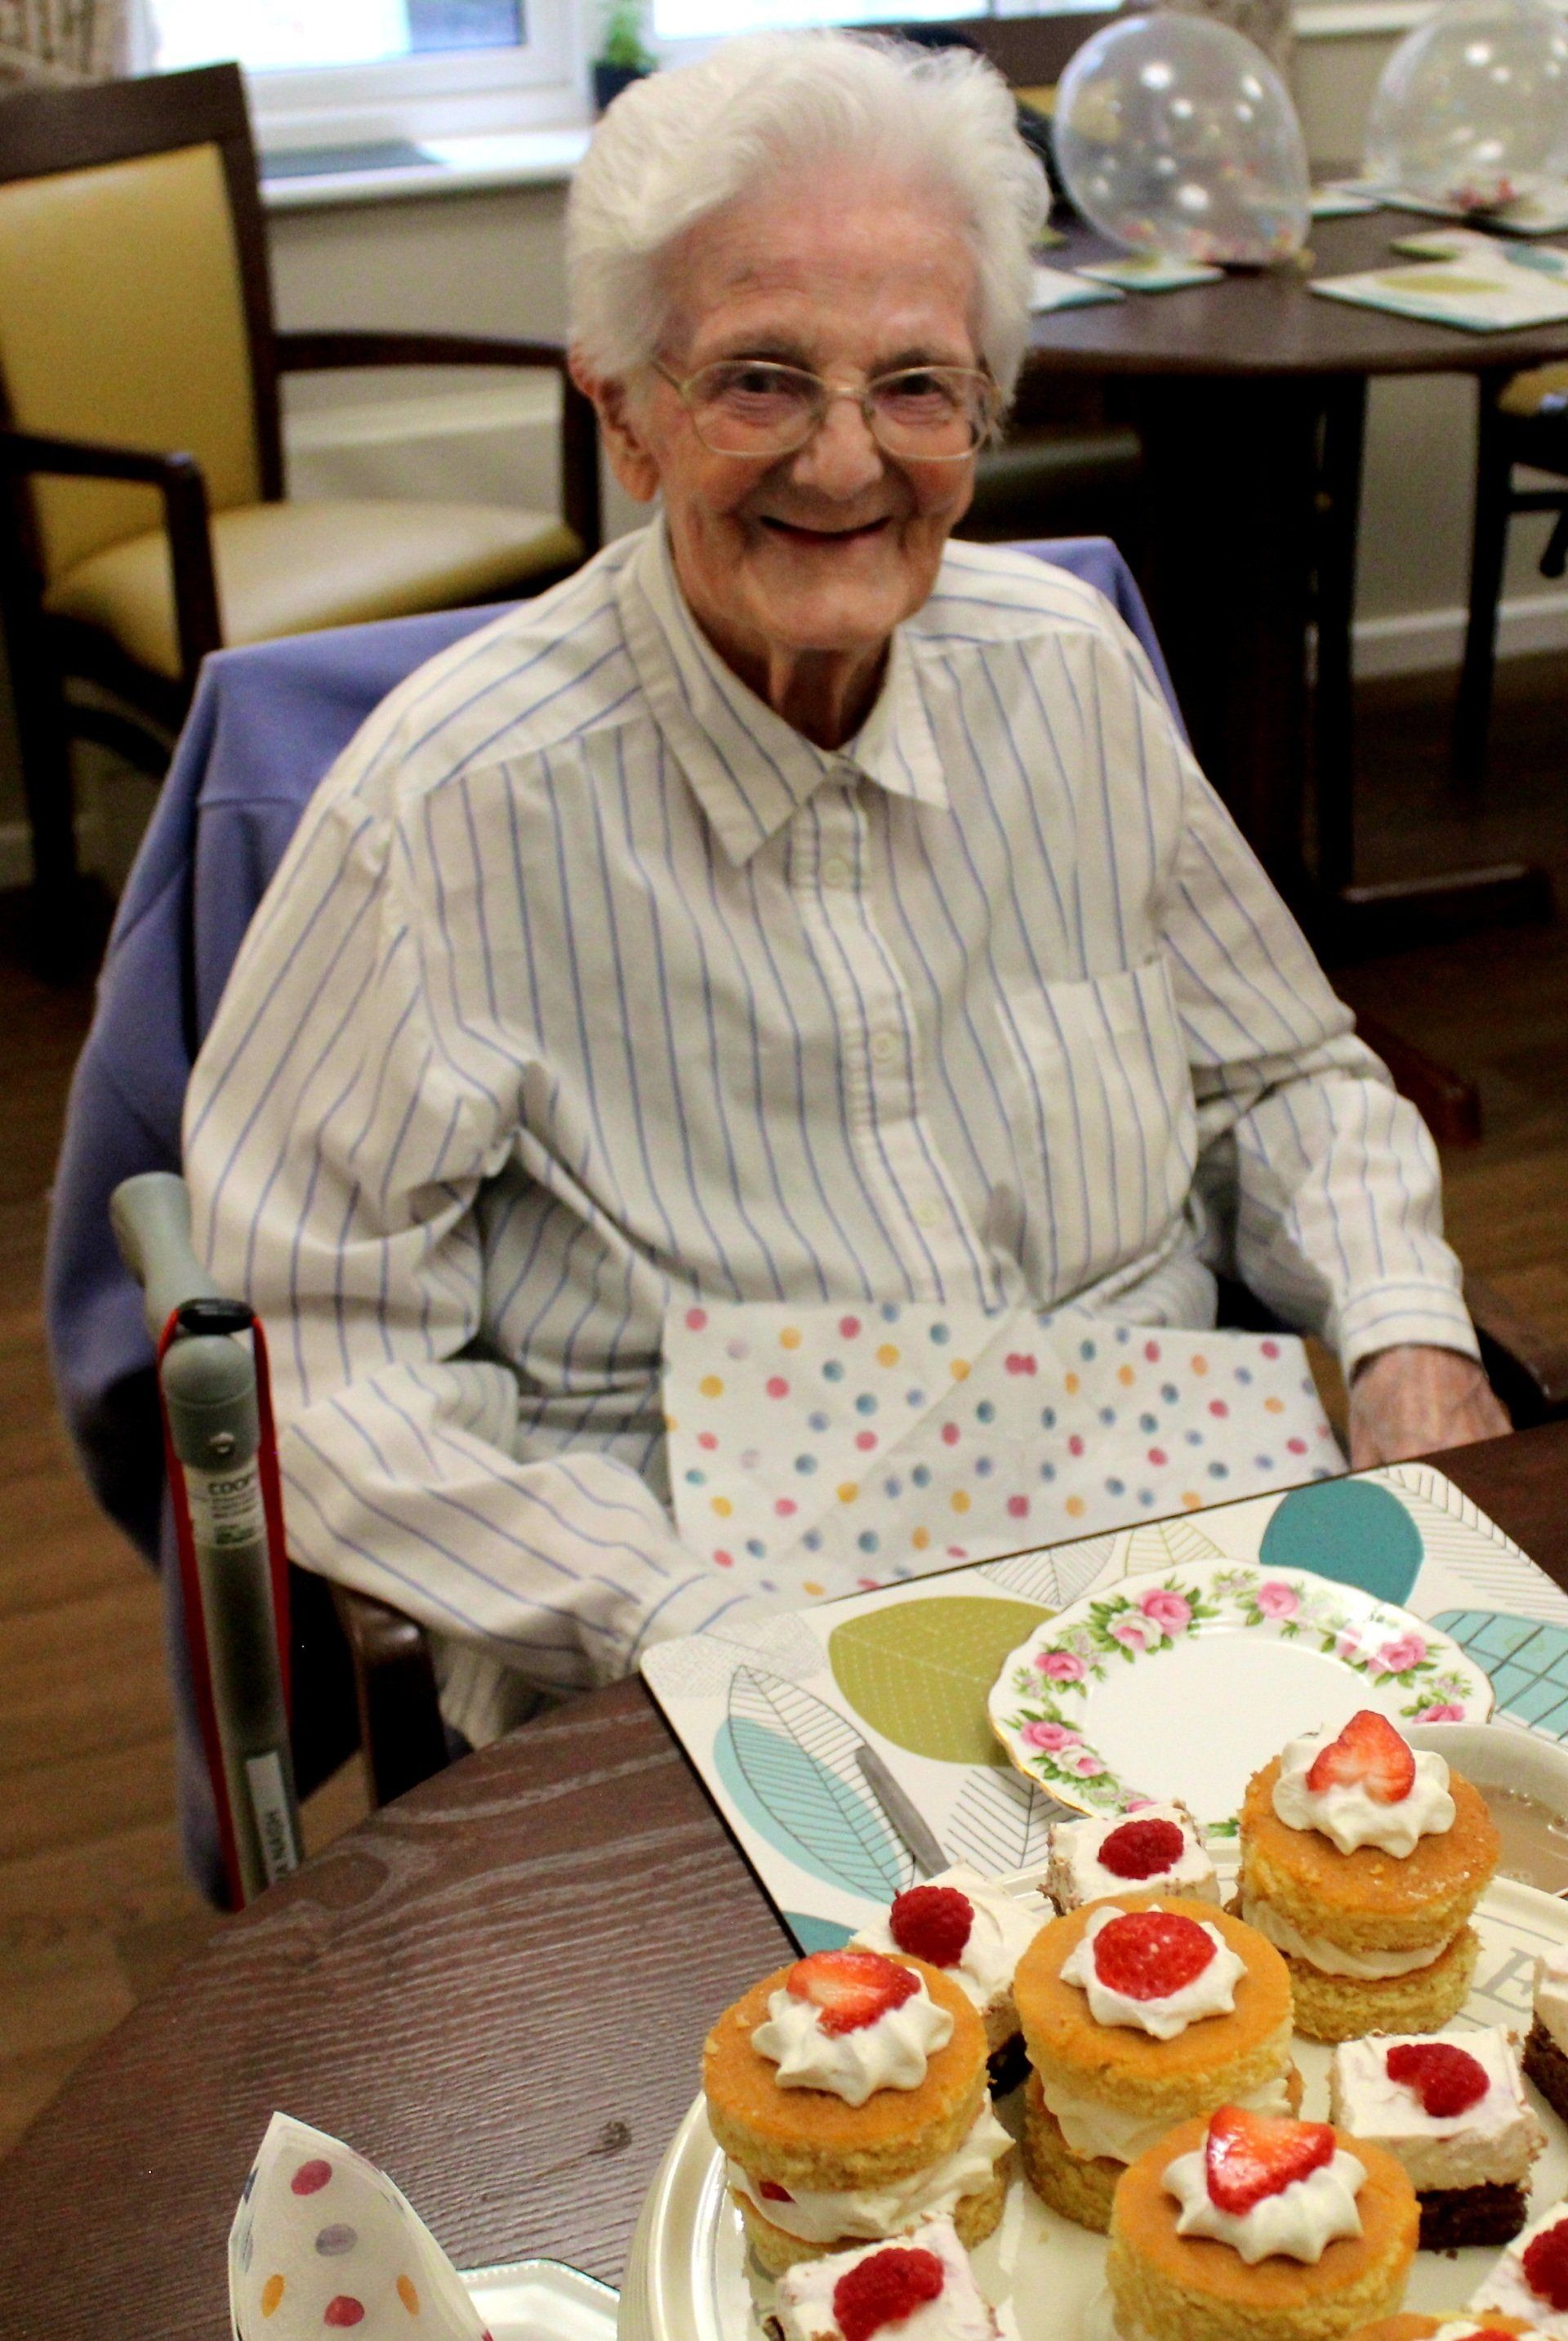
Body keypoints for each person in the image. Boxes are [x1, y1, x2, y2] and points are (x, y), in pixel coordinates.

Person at [185, 32, 1506, 1750]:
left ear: (985, 412)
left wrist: (1406, 1335)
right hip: (702, 1621)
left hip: (1171, 1541)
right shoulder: (444, 807)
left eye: (913, 386)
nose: (842, 463)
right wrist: (655, 1602)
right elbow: (313, 1347)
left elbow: (1284, 1079)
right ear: (627, 413)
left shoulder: (1070, 673)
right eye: (758, 380)